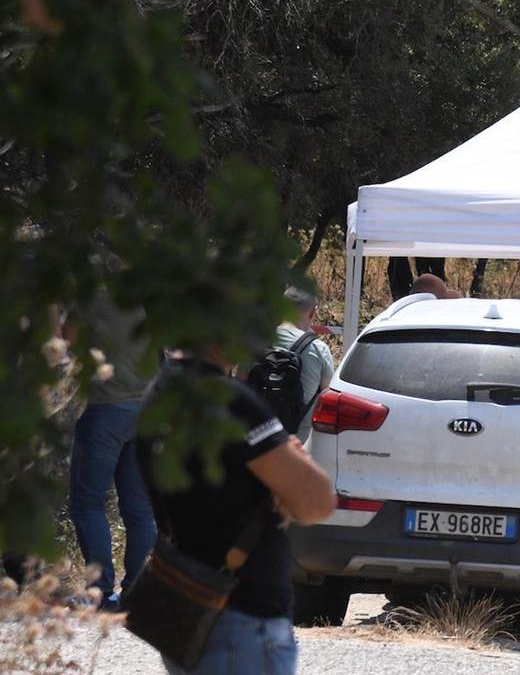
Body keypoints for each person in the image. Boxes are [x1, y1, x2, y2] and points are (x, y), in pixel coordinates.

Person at [137, 345, 336, 675]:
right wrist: (289, 464)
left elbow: (215, 498)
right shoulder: (230, 401)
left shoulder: (159, 394)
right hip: (241, 620)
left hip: (187, 606)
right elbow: (317, 501)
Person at [65, 289, 157, 610]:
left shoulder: (93, 289)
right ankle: (134, 591)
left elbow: (68, 335)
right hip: (145, 407)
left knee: (87, 503)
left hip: (105, 406)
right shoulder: (149, 286)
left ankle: (100, 592)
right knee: (139, 509)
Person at [275, 287, 335, 443]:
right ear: (313, 312)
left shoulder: (256, 343)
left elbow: (242, 382)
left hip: (259, 449)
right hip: (300, 448)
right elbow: (330, 396)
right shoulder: (318, 349)